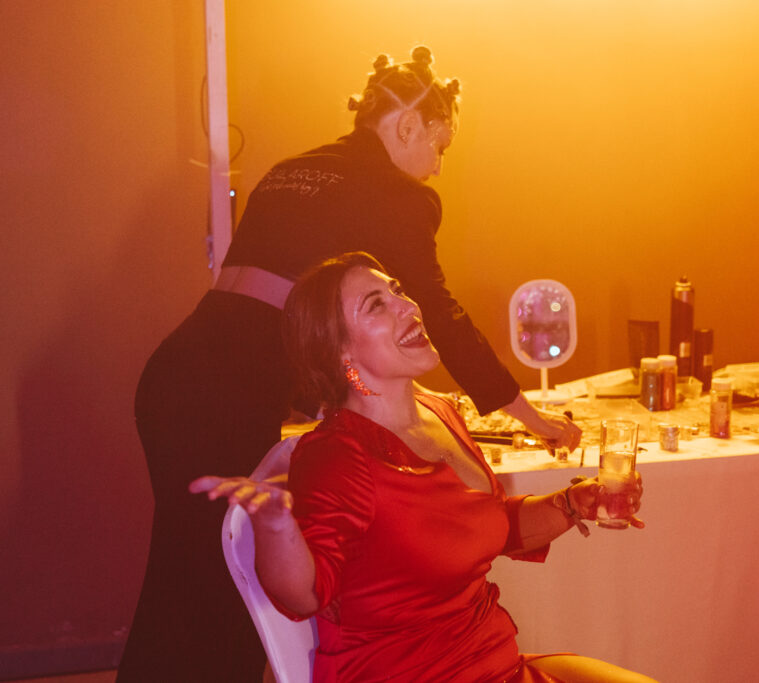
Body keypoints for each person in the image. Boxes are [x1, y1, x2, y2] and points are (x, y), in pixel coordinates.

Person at [119, 47, 581, 681]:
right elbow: (438, 313)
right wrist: (529, 415)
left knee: (180, 574)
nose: (437, 166)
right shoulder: (399, 195)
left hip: (175, 372)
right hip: (225, 395)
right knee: (222, 597)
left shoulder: (292, 169)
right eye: (440, 145)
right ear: (408, 126)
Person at [191, 252, 653, 683]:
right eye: (377, 304)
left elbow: (483, 528)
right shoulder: (338, 454)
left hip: (496, 666)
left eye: (397, 289)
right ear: (339, 351)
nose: (408, 306)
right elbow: (305, 595)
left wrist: (572, 503)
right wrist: (276, 525)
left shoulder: (439, 412)